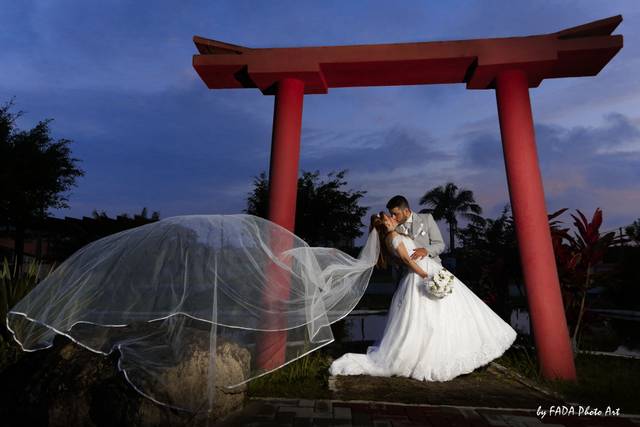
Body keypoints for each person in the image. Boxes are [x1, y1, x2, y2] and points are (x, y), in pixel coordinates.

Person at [328, 212, 517, 381]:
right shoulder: (392, 236)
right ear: (385, 224)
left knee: (439, 314)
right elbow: (406, 260)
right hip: (421, 275)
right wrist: (426, 275)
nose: (393, 219)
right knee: (430, 317)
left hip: (424, 270)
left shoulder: (393, 236)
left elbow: (405, 257)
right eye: (389, 218)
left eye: (392, 216)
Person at [386, 195, 445, 287]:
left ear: (406, 211)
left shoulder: (427, 219)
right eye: (391, 214)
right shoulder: (394, 229)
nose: (393, 217)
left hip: (433, 271)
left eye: (396, 214)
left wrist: (426, 250)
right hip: (409, 276)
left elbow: (440, 244)